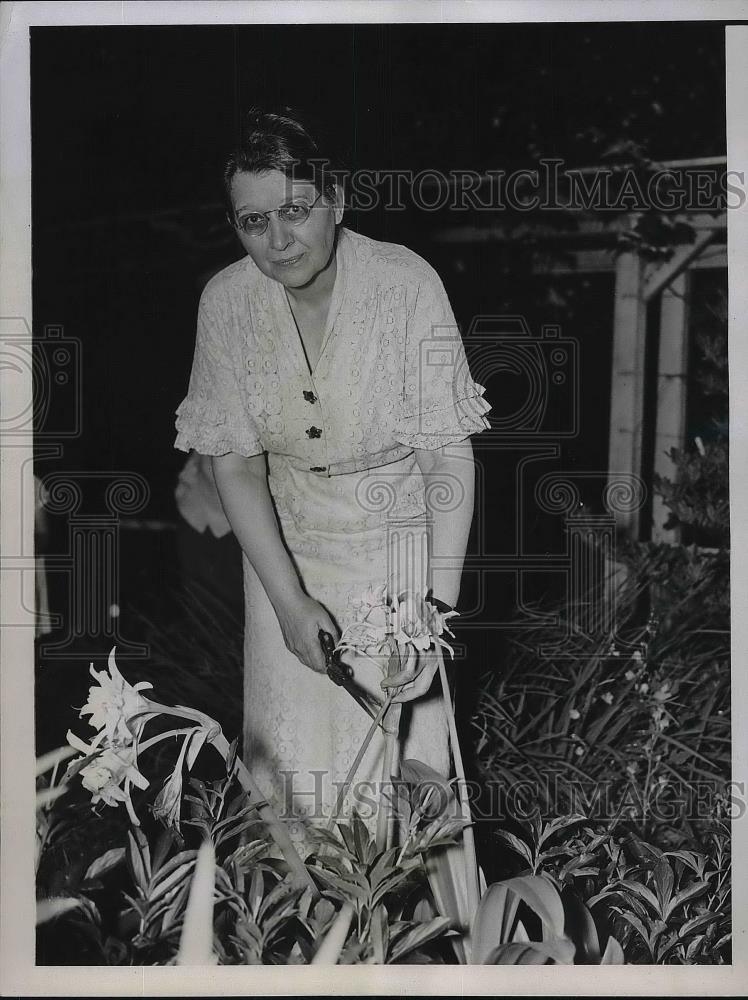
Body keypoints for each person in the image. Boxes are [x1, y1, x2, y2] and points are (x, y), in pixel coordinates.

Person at [174, 109, 491, 846]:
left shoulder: (405, 283)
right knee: (289, 782)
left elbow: (448, 456)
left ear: (336, 202)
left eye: (295, 210)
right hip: (286, 551)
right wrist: (288, 603)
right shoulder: (226, 303)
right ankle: (302, 945)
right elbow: (235, 462)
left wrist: (429, 613)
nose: (278, 240)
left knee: (403, 789)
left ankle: (410, 947)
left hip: (400, 557)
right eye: (254, 222)